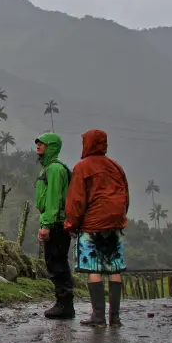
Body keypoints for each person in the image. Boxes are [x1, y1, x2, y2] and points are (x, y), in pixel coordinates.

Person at [65, 129, 130, 328]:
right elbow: (125, 195)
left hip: (92, 224)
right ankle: (115, 318)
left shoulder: (82, 167)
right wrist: (120, 218)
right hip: (114, 223)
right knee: (114, 267)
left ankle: (98, 317)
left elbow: (76, 200)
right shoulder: (116, 167)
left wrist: (71, 224)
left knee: (94, 268)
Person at [34, 132, 75, 319]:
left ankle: (65, 304)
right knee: (54, 261)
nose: (38, 146)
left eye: (42, 143)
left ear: (51, 147)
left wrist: (47, 225)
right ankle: (62, 302)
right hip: (54, 221)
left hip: (57, 223)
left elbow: (53, 199)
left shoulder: (55, 170)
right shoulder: (49, 168)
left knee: (57, 262)